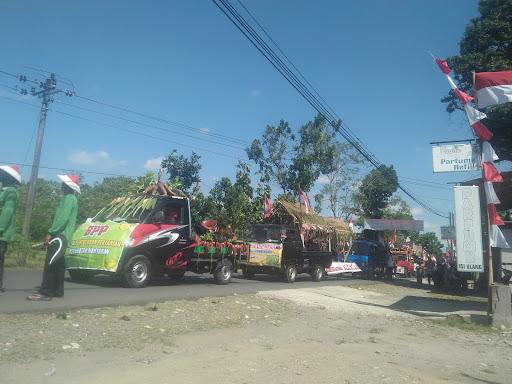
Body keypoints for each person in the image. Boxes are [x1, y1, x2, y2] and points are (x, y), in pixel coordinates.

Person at [27, 175, 80, 301]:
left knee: (50, 264)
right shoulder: (72, 198)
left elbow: (63, 218)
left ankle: (46, 292)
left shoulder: (69, 198)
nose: (61, 185)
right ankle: (57, 290)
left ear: (68, 186)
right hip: (64, 237)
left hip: (59, 237)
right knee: (59, 265)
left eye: (64, 184)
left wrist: (51, 232)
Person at [0, 165, 21, 293]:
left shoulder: (11, 192)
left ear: (8, 177)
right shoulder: (4, 190)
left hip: (2, 233)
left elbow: (7, 212)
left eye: (2, 174)